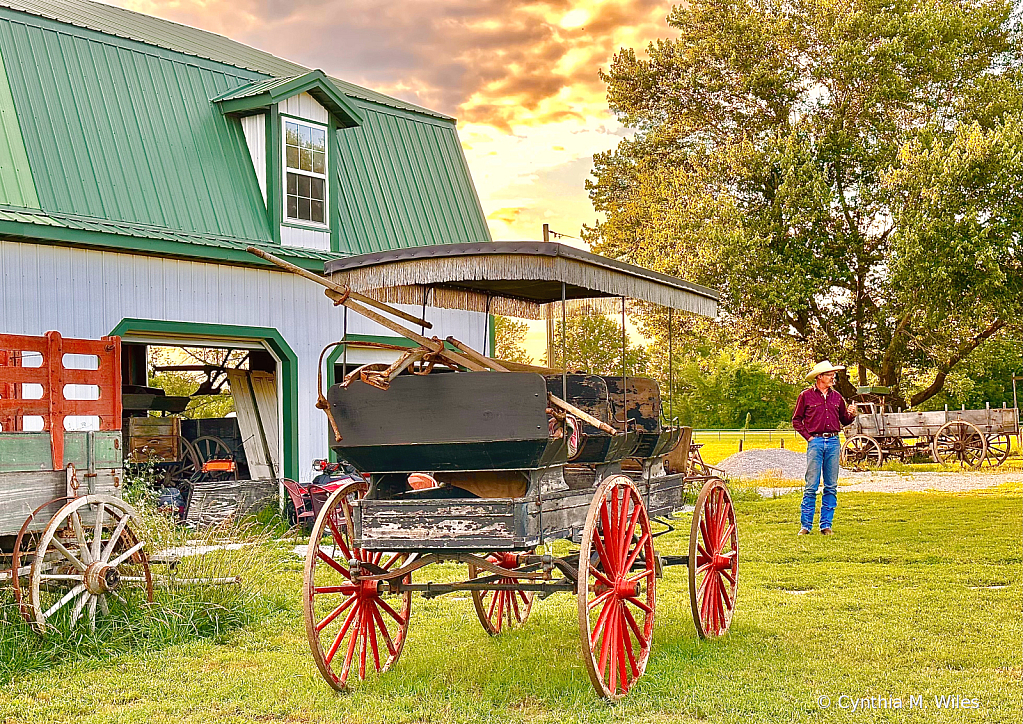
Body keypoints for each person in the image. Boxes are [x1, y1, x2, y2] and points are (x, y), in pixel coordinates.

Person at [792, 361, 857, 535]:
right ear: (819, 377)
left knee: (831, 486)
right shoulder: (805, 396)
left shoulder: (837, 397)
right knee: (811, 485)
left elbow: (844, 420)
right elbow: (796, 420)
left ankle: (826, 525)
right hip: (816, 442)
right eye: (829, 374)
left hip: (834, 442)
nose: (832, 377)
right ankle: (806, 526)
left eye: (833, 374)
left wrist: (851, 415)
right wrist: (810, 438)